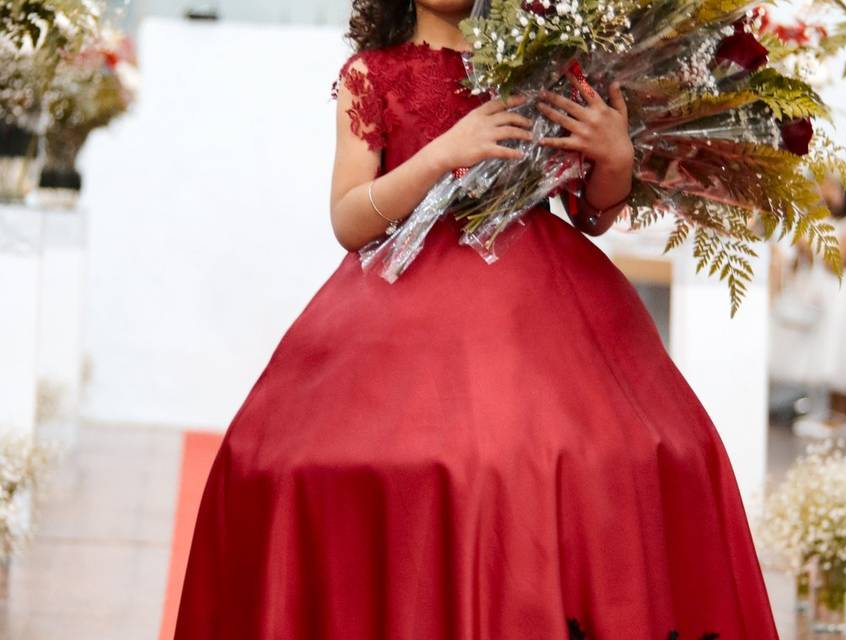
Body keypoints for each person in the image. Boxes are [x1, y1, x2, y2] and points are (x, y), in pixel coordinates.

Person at [173, 1, 779, 638]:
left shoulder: (542, 66)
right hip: (404, 313)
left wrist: (616, 159)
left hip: (544, 317)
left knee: (596, 461)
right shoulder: (370, 74)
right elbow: (348, 220)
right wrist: (441, 155)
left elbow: (590, 214)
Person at [770, 172, 846, 438]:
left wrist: (814, 246)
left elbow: (835, 260)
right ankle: (831, 411)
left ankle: (842, 415)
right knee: (832, 354)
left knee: (844, 353)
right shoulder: (829, 220)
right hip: (833, 293)